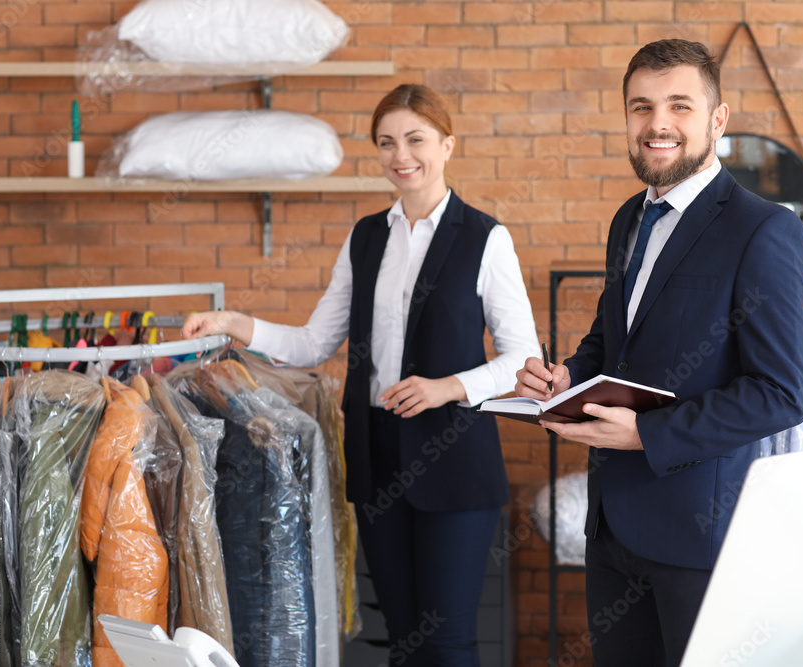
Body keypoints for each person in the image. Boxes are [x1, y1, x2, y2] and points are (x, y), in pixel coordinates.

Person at [183, 84, 540, 667]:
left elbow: (521, 359)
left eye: (416, 139)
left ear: (448, 145)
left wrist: (446, 387)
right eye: (386, 142)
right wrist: (234, 322)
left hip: (454, 462)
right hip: (378, 460)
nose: (402, 155)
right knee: (404, 642)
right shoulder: (366, 237)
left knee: (447, 645)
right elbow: (313, 343)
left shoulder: (486, 238)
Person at [515, 40, 803, 666]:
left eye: (680, 105)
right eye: (641, 106)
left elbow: (781, 393)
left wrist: (647, 436)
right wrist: (568, 374)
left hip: (699, 540)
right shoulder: (629, 218)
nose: (658, 124)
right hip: (612, 532)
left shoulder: (764, 229)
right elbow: (611, 340)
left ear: (718, 120)